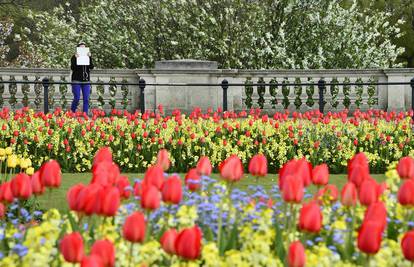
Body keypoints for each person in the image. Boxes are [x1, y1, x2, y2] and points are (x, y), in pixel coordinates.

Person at [70, 41, 94, 114]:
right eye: (81, 47)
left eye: (84, 47)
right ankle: (72, 113)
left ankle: (85, 115)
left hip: (86, 81)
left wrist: (90, 57)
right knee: (76, 98)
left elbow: (91, 67)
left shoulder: (88, 57)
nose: (83, 49)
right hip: (76, 80)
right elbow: (72, 68)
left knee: (86, 99)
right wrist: (75, 58)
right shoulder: (74, 57)